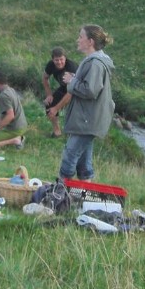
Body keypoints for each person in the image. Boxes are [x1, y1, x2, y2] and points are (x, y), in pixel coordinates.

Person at [48, 25, 115, 181]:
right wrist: (75, 79)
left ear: (90, 41)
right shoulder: (94, 61)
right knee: (84, 161)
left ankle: (61, 189)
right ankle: (85, 192)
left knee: (70, 154)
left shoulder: (95, 63)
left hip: (87, 119)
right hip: (87, 118)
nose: (78, 40)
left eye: (80, 37)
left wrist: (72, 81)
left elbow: (91, 90)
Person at [41, 47, 77, 137]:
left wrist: (56, 108)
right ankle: (57, 132)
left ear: (65, 58)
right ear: (53, 60)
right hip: (64, 88)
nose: (59, 62)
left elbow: (71, 92)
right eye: (57, 60)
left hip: (77, 91)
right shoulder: (50, 65)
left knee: (70, 109)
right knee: (49, 104)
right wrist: (49, 95)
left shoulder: (71, 67)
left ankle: (74, 133)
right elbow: (44, 78)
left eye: (61, 59)